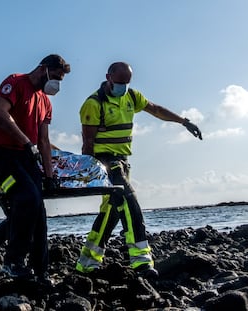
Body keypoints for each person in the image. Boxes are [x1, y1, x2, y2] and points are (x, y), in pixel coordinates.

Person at [76, 62, 202, 278]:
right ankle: (141, 260)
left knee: (111, 212)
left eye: (127, 82)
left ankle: (87, 263)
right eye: (119, 82)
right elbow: (88, 143)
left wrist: (184, 121)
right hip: (105, 162)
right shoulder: (94, 103)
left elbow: (155, 109)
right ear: (108, 77)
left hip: (123, 161)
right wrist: (91, 175)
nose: (123, 86)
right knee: (128, 201)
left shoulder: (132, 97)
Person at [0, 54, 70, 283]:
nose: (57, 83)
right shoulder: (15, 82)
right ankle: (13, 261)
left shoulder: (46, 103)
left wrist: (50, 176)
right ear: (43, 69)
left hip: (26, 157)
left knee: (38, 210)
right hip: (2, 155)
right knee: (27, 198)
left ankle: (41, 271)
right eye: (56, 77)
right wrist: (25, 142)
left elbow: (43, 140)